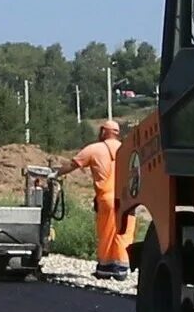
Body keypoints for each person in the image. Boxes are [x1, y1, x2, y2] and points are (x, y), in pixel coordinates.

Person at [54, 120, 136, 281]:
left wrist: (55, 173)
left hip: (106, 199)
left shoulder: (94, 149)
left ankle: (105, 267)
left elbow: (73, 164)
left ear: (104, 131)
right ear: (117, 133)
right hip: (128, 198)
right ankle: (121, 268)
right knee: (124, 232)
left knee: (106, 232)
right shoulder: (128, 149)